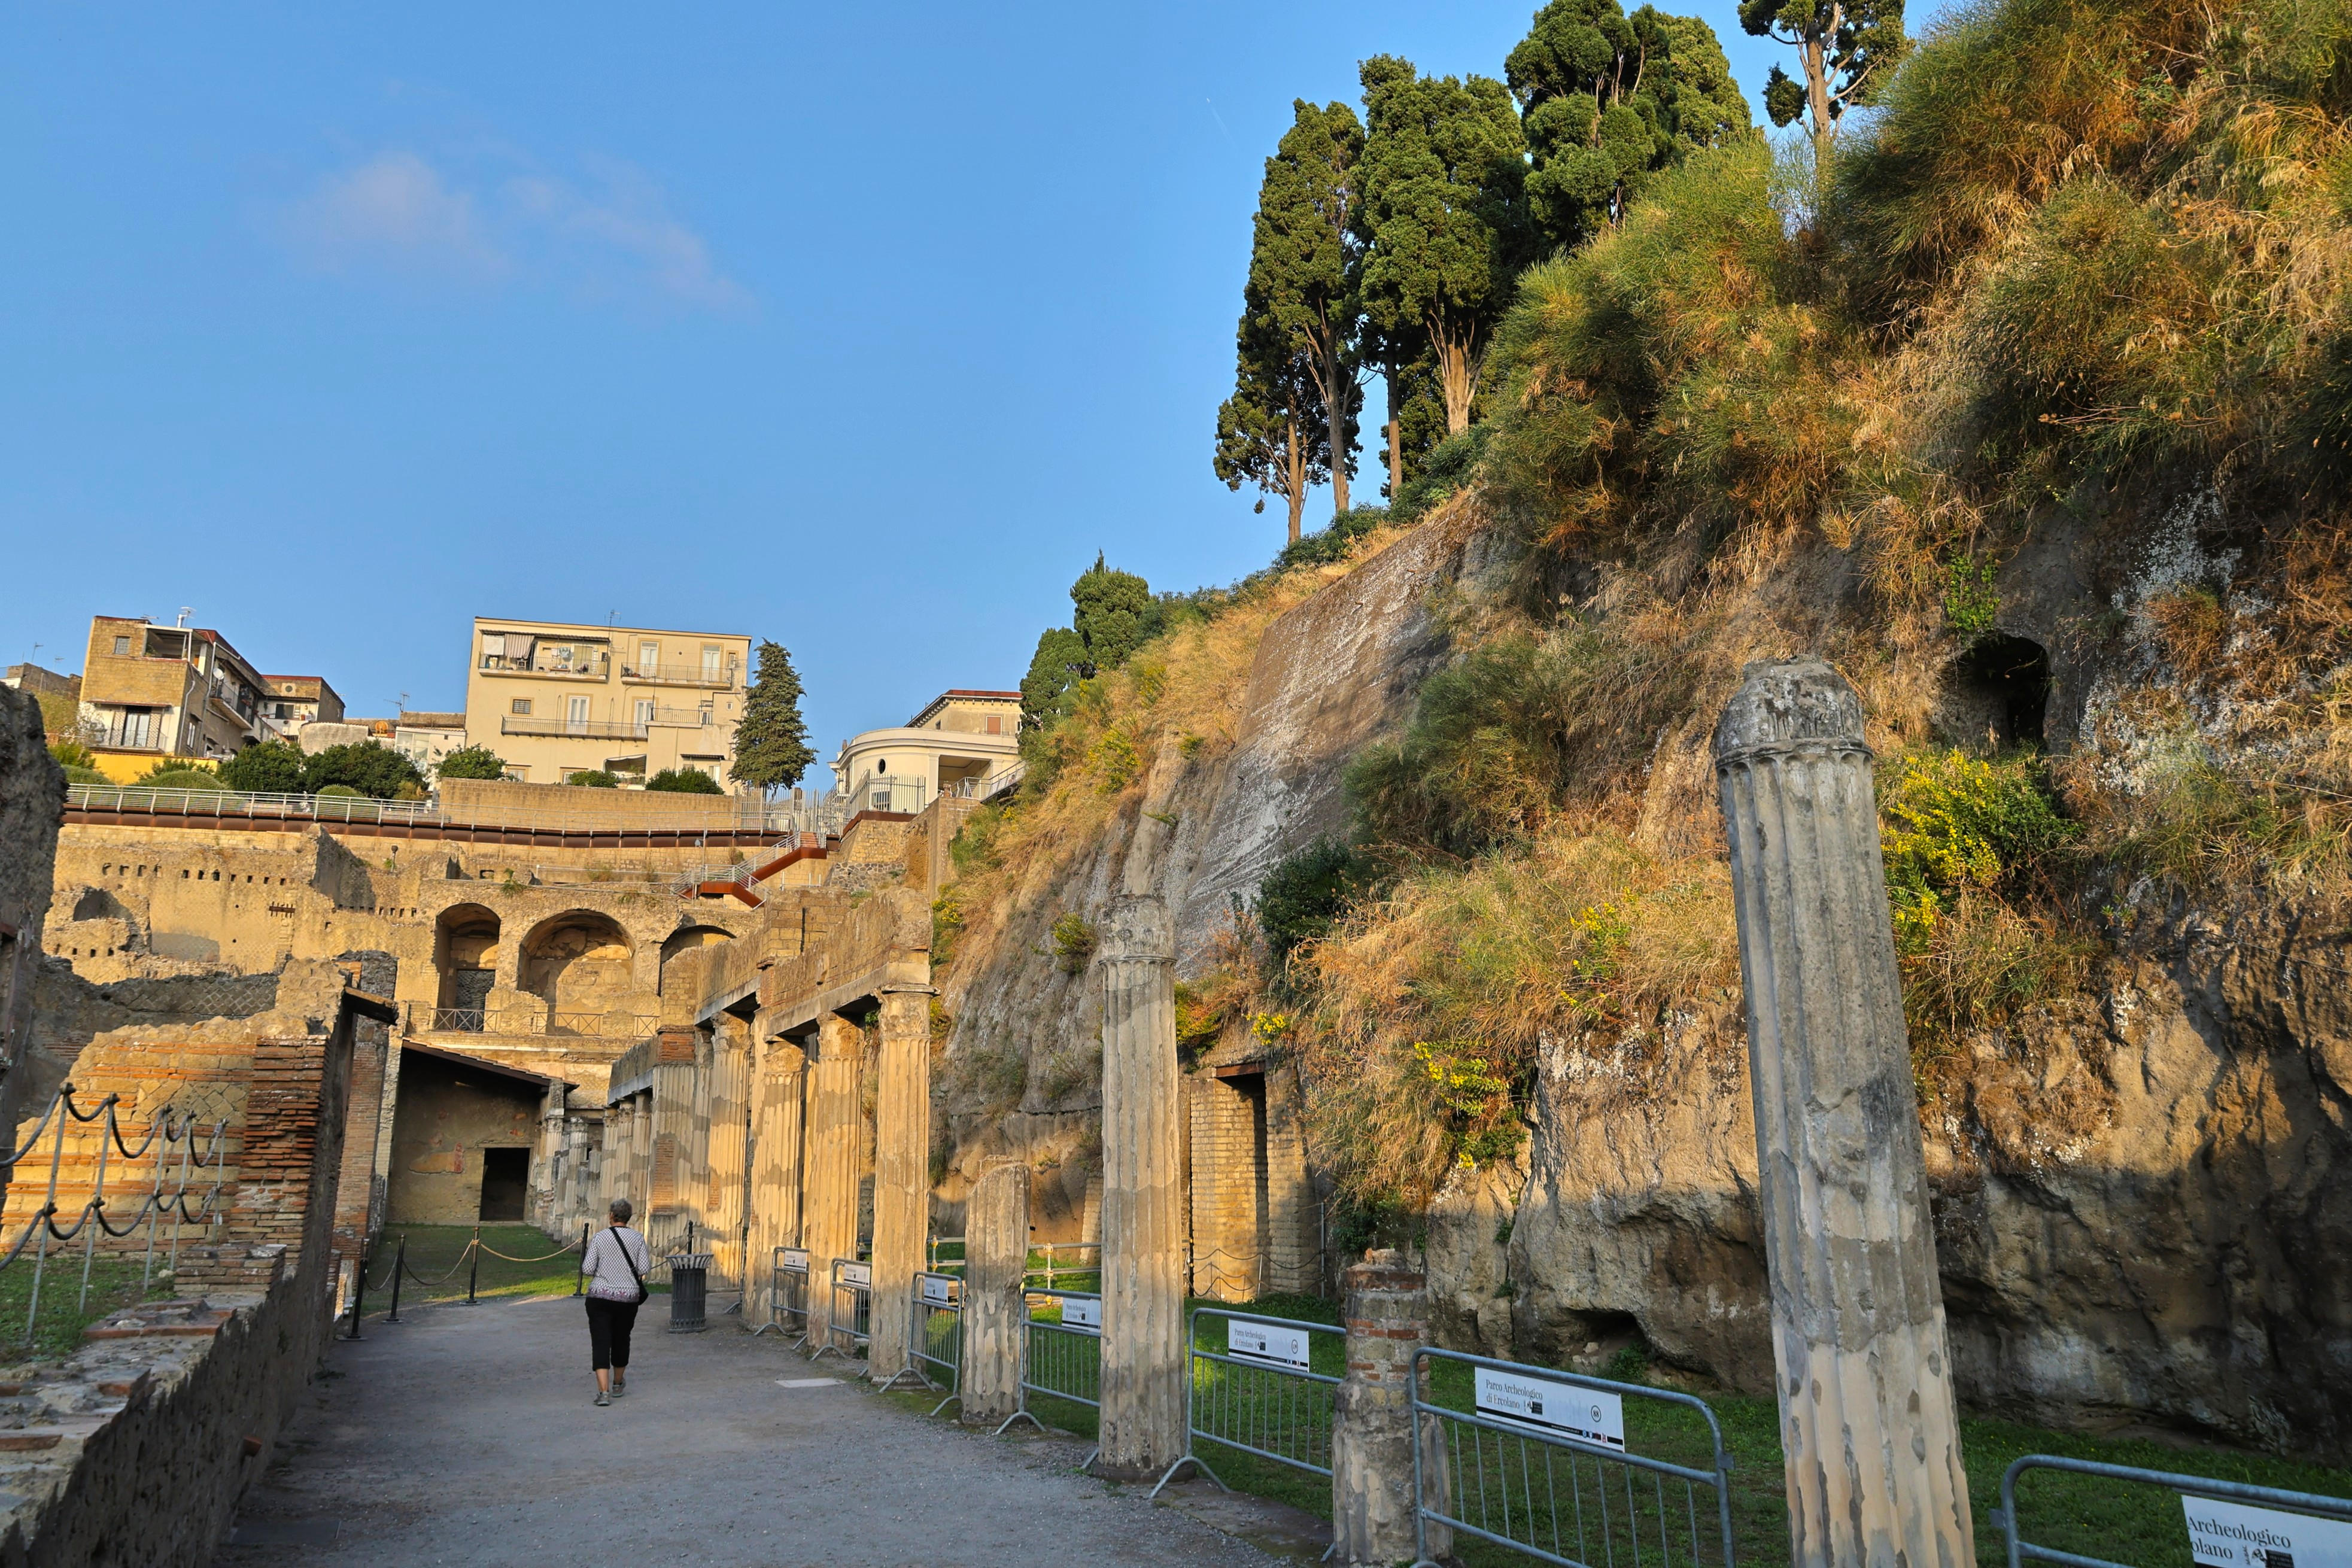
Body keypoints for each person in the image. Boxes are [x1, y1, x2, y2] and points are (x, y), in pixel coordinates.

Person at [581, 1198, 651, 1407]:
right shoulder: (638, 1238)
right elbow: (644, 1268)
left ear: (611, 1216)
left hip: (600, 1297)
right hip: (627, 1298)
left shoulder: (600, 1238)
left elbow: (587, 1269)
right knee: (622, 1339)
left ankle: (603, 1392)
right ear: (629, 1217)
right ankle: (618, 1383)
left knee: (601, 1342)